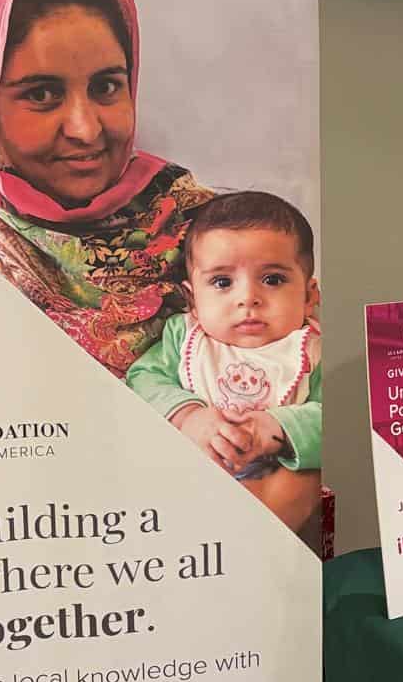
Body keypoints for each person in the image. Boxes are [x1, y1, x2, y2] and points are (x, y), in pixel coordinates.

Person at [0, 0, 319, 535]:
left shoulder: (210, 231)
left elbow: (308, 401)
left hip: (224, 551)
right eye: (41, 93)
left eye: (107, 86)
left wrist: (282, 487)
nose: (86, 128)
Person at [126, 191, 321, 481]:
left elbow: (338, 420)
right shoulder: (185, 338)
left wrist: (278, 428)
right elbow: (142, 378)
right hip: (187, 479)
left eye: (272, 279)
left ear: (309, 296)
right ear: (192, 300)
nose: (248, 298)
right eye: (222, 282)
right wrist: (189, 415)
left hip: (276, 489)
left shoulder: (314, 350)